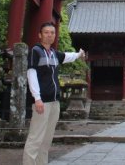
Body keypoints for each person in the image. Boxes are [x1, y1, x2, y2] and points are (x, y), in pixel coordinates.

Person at [22, 21, 86, 165]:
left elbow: (67, 56)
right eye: (46, 32)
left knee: (46, 139)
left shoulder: (54, 54)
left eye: (52, 33)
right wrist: (37, 98)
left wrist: (79, 54)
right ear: (40, 35)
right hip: (42, 101)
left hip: (54, 101)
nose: (50, 35)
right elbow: (31, 74)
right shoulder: (35, 51)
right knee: (35, 138)